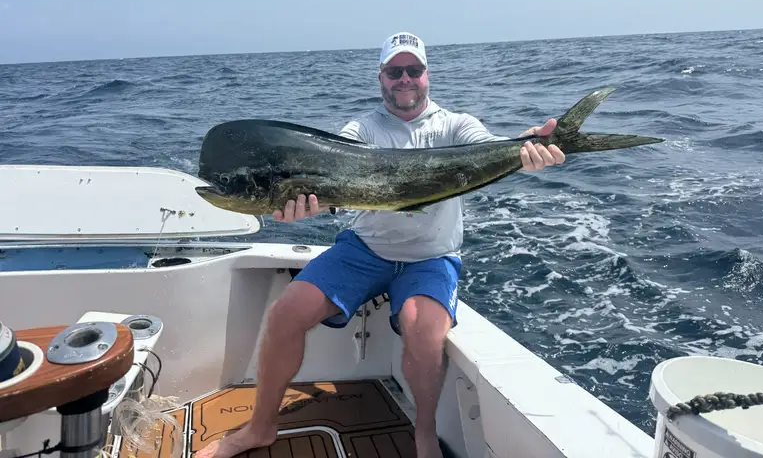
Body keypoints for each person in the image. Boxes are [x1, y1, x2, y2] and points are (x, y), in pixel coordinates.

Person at [196, 32, 565, 458]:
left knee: (424, 332)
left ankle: (423, 434)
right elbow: (330, 181)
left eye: (413, 70)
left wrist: (529, 144)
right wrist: (299, 208)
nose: (404, 79)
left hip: (431, 256)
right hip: (365, 250)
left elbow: (489, 149)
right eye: (395, 71)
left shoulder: (456, 125)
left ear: (427, 75)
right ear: (381, 78)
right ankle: (259, 428)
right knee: (285, 313)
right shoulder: (360, 130)